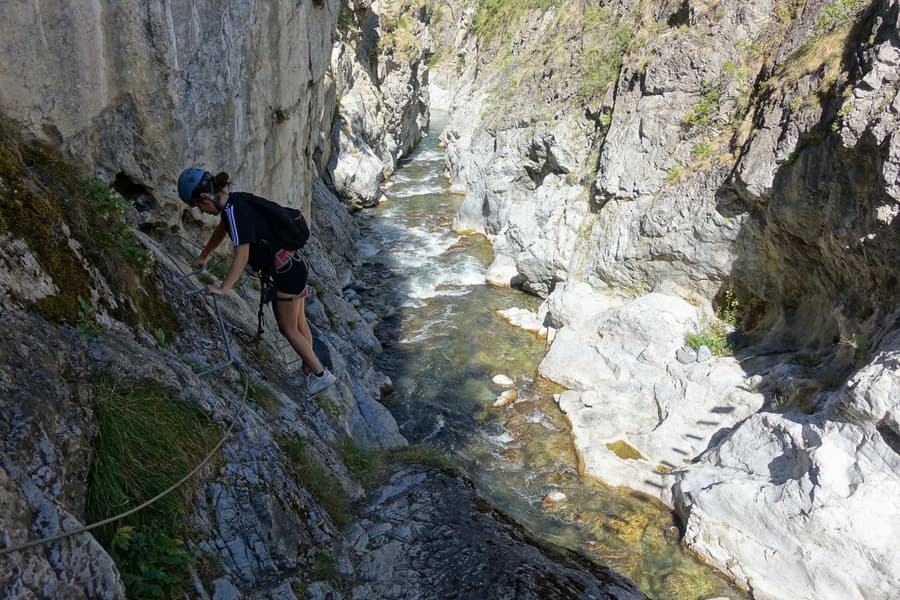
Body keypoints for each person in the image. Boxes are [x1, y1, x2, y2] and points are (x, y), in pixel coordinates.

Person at [177, 168, 336, 395]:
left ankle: (320, 375)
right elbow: (222, 230)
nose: (200, 212)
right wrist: (204, 255)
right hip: (294, 265)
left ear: (204, 196)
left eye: (197, 206)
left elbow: (242, 254)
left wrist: (223, 288)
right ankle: (308, 371)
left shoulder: (234, 211)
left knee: (288, 328)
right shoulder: (235, 201)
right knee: (300, 324)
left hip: (285, 273)